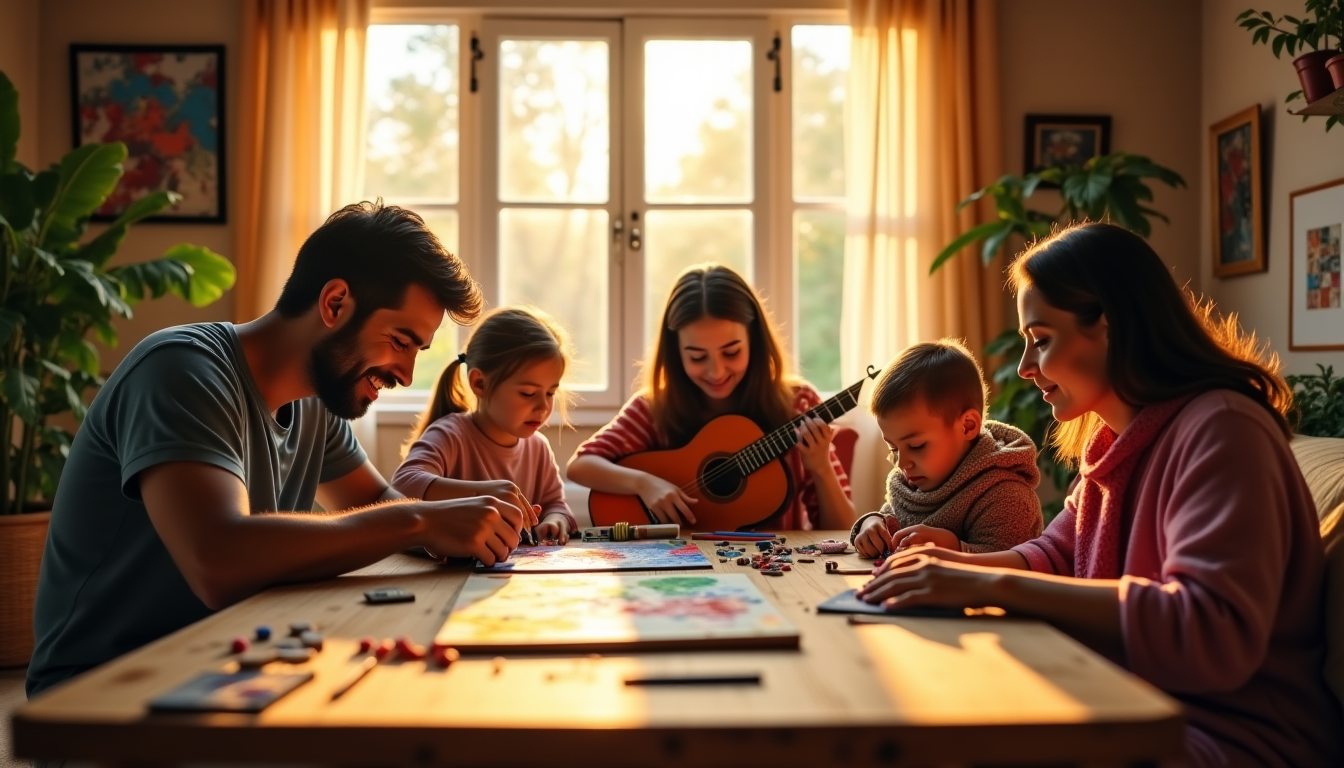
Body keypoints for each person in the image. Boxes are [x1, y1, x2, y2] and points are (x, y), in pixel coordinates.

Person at [857, 222, 1344, 766]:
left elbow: (1210, 633)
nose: (1024, 368)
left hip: (1230, 739)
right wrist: (948, 568)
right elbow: (1057, 553)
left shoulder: (1223, 429)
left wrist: (991, 582)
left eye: (1041, 340)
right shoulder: (1117, 439)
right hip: (1130, 705)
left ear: (1111, 326)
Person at [28, 202, 533, 698]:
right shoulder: (181, 370)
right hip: (105, 694)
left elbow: (381, 506)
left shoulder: (316, 406)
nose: (405, 374)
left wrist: (465, 510)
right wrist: (421, 520)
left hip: (228, 666)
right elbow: (218, 562)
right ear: (335, 304)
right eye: (400, 341)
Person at [567, 263, 855, 530]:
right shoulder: (653, 409)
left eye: (731, 352)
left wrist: (821, 469)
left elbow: (842, 530)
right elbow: (581, 466)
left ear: (754, 341)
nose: (716, 371)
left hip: (779, 572)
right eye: (697, 356)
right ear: (676, 353)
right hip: (679, 571)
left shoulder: (798, 402)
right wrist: (645, 483)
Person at [392, 307, 577, 544]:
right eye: (528, 393)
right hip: (450, 571)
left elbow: (556, 504)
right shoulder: (450, 435)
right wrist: (483, 493)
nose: (543, 406)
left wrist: (555, 520)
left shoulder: (538, 448)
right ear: (479, 383)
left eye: (551, 393)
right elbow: (404, 483)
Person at [849, 340, 1042, 558]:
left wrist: (956, 548)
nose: (901, 463)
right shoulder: (913, 484)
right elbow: (891, 518)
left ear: (967, 426)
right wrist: (872, 523)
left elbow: (1015, 569)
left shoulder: (1007, 497)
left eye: (916, 445)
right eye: (893, 448)